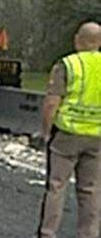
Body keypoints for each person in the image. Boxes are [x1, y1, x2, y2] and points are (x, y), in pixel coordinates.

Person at [39, 21, 101, 238]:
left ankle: (48, 233)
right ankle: (89, 234)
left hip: (66, 135)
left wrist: (46, 132)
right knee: (90, 191)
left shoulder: (67, 65)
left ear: (77, 40)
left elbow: (51, 103)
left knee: (56, 187)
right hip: (97, 138)